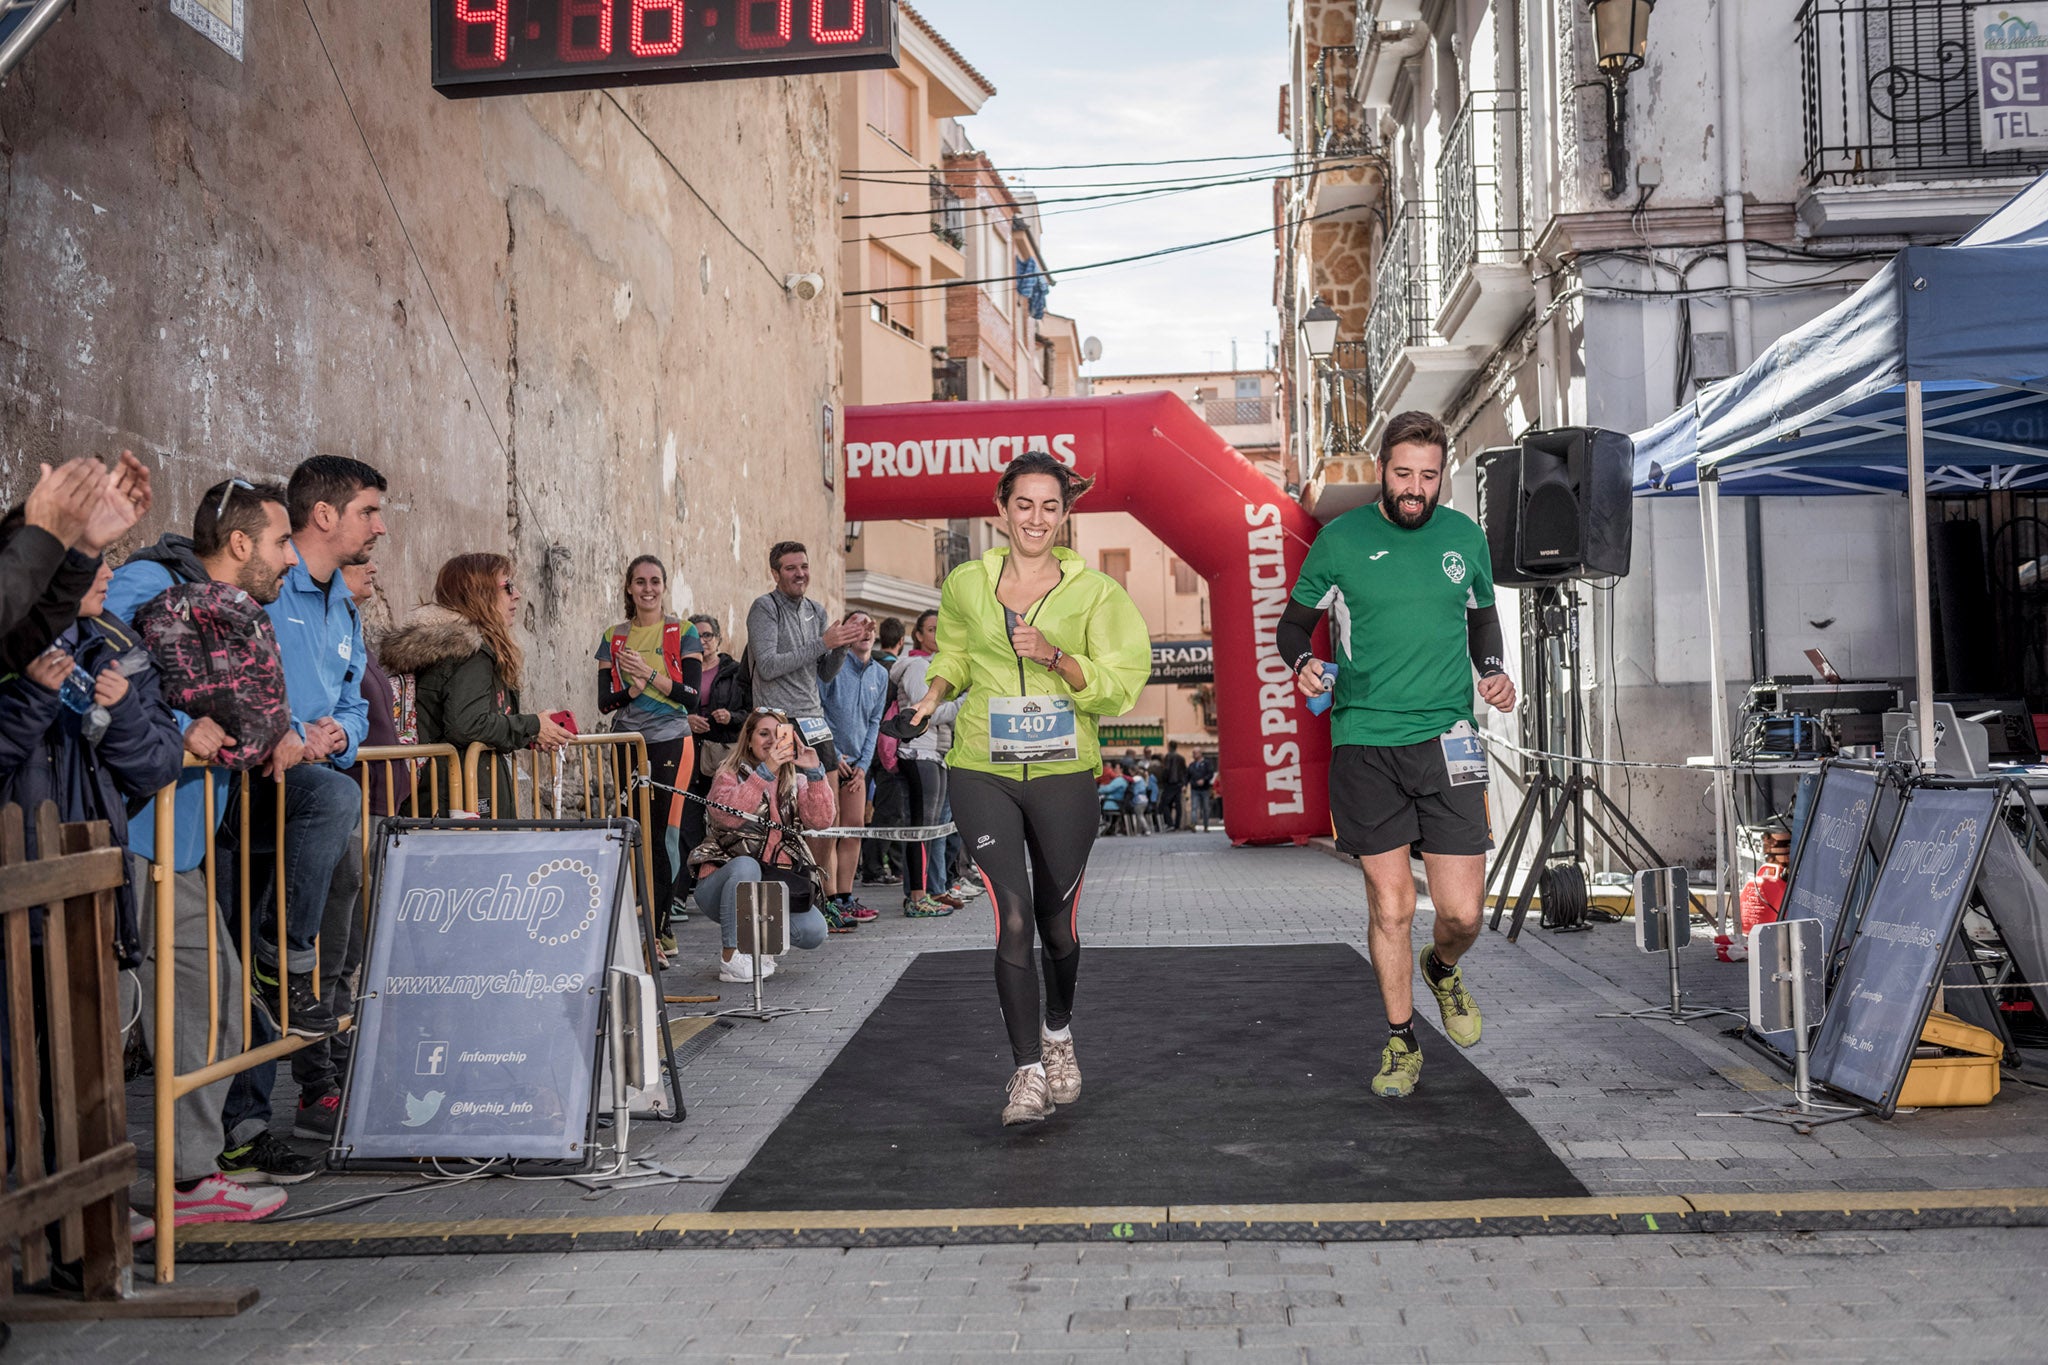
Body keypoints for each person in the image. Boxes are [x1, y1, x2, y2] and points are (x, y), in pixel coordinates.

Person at [903, 451, 1150, 1126]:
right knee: (1010, 912)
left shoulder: (1097, 593)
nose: (1036, 517)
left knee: (1056, 923)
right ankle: (1027, 1072)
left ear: (1064, 514)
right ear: (1001, 509)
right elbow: (953, 652)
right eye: (1024, 504)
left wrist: (1056, 657)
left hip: (1065, 766)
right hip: (983, 761)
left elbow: (1123, 679)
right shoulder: (965, 584)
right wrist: (929, 701)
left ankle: (1059, 1030)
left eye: (1050, 505)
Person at [1277, 410, 1516, 1101]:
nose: (1415, 488)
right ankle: (1402, 1038)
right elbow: (1295, 624)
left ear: (1443, 476)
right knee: (1392, 904)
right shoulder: (1340, 540)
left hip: (1449, 738)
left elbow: (1481, 617)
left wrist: (1492, 668)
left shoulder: (1464, 539)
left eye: (1429, 476)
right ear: (1382, 469)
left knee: (1463, 912)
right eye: (1404, 474)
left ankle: (1442, 967)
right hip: (1364, 742)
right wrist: (1304, 662)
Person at [112, 478, 319, 1192]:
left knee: (215, 1002)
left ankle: (190, 1180)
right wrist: (176, 730)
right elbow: (94, 666)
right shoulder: (146, 581)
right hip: (129, 837)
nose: (290, 558)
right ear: (238, 543)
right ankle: (99, 1194)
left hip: (185, 844)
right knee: (105, 1024)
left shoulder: (231, 607)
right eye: (280, 541)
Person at [379, 553, 574, 817]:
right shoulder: (470, 651)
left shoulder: (451, 648)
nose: (516, 594)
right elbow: (467, 724)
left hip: (447, 793)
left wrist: (528, 735)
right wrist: (533, 725)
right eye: (507, 587)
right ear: (479, 594)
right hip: (459, 798)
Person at [595, 555, 703, 957]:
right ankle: (628, 926)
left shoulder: (683, 631)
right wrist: (633, 692)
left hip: (668, 740)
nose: (648, 588)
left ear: (663, 586)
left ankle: (658, 932)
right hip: (625, 741)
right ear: (628, 587)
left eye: (655, 581)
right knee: (630, 828)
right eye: (639, 581)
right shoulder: (614, 636)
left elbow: (691, 697)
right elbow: (605, 703)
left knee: (659, 835)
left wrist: (648, 673)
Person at [687, 707, 835, 981]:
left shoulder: (796, 780)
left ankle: (759, 947)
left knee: (815, 930)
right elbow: (727, 816)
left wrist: (815, 773)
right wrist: (764, 773)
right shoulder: (729, 773)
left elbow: (822, 820)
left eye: (778, 734)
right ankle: (731, 956)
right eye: (763, 733)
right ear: (749, 739)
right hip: (721, 885)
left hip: (774, 886)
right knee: (746, 866)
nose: (770, 740)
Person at [818, 610, 885, 928]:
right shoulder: (834, 667)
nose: (866, 631)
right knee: (831, 830)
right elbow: (819, 710)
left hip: (858, 765)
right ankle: (829, 899)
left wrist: (863, 765)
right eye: (858, 625)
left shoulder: (880, 675)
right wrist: (835, 755)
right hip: (830, 760)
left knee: (854, 829)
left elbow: (875, 722)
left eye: (870, 625)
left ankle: (846, 896)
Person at [890, 610, 958, 918]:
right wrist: (961, 704)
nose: (938, 635)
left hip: (936, 754)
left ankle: (927, 892)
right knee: (920, 828)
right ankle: (916, 897)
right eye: (931, 630)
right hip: (918, 753)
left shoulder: (937, 667)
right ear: (917, 635)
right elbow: (922, 715)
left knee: (931, 829)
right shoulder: (918, 666)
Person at [681, 613, 748, 904]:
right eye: (696, 636)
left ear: (718, 639)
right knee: (688, 822)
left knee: (728, 824)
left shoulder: (734, 672)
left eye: (707, 635)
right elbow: (670, 709)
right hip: (691, 755)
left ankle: (729, 883)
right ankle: (682, 891)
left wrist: (730, 716)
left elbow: (752, 714)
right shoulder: (682, 671)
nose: (702, 641)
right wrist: (687, 720)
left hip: (725, 757)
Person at [1159, 741, 1189, 831]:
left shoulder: (1168, 756)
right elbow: (1184, 772)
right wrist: (1184, 783)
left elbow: (1166, 770)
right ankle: (1177, 825)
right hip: (1179, 784)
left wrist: (1163, 780)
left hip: (1170, 783)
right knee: (1178, 805)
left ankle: (1169, 823)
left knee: (1165, 804)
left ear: (1169, 747)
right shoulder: (1181, 758)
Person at [1188, 749, 1217, 831]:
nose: (1194, 754)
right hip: (1194, 789)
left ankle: (1206, 826)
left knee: (1205, 808)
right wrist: (1185, 784)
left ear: (1200, 754)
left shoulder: (1207, 764)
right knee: (1194, 807)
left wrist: (1204, 780)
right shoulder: (1192, 765)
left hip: (1204, 789)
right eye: (1193, 753)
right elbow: (1188, 775)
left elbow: (1210, 774)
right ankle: (1193, 824)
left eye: (1195, 753)